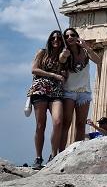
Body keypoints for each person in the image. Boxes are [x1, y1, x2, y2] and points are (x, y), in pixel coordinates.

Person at [26, 30, 67, 169]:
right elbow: (34, 69)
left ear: (62, 41)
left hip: (56, 91)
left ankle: (53, 155)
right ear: (49, 40)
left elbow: (66, 75)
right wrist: (53, 75)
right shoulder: (42, 52)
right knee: (40, 125)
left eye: (59, 38)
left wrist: (63, 73)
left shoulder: (64, 57)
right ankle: (38, 157)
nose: (56, 40)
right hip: (40, 88)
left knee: (58, 121)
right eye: (53, 38)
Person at [59, 28, 101, 148]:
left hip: (84, 92)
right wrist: (64, 55)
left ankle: (77, 150)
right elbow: (61, 60)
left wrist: (87, 47)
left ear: (77, 37)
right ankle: (60, 153)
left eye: (72, 35)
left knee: (81, 124)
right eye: (66, 36)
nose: (69, 38)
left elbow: (98, 60)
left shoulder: (85, 51)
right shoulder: (64, 52)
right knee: (66, 123)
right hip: (69, 91)